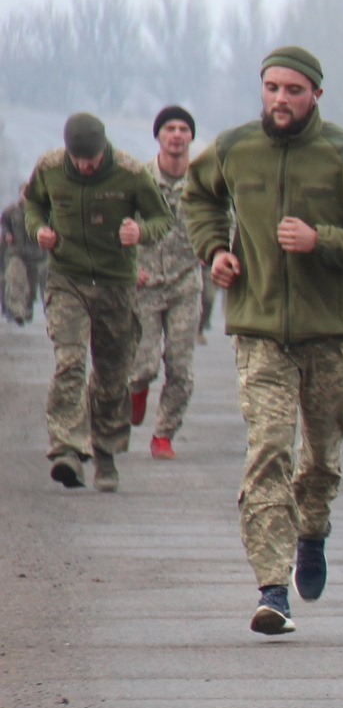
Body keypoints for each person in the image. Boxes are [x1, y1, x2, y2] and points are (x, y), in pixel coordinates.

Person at [183, 45, 343, 636]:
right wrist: (216, 251)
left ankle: (312, 531)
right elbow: (198, 197)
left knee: (321, 458)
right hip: (259, 329)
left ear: (316, 96)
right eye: (272, 88)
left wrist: (322, 240)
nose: (281, 99)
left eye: (293, 90)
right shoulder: (234, 149)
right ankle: (272, 586)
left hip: (331, 333)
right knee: (269, 448)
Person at [24, 113, 172, 491]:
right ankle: (66, 449)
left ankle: (105, 452)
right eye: (79, 159)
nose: (85, 165)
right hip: (67, 277)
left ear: (104, 148)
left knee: (111, 374)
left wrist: (140, 231)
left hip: (114, 284)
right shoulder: (50, 167)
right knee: (70, 361)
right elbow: (33, 205)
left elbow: (162, 218)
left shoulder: (131, 173)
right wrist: (38, 229)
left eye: (91, 158)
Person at [127, 106, 204, 460]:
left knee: (181, 365)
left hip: (186, 282)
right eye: (170, 128)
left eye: (183, 129)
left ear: (190, 137)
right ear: (158, 136)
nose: (177, 135)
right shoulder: (138, 179)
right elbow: (119, 226)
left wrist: (217, 249)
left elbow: (227, 218)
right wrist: (129, 267)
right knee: (143, 365)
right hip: (145, 282)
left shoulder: (204, 181)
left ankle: (164, 434)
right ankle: (137, 390)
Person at [3, 184, 46, 325]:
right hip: (17, 253)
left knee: (31, 286)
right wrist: (8, 233)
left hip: (36, 255)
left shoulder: (42, 211)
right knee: (16, 280)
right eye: (24, 193)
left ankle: (26, 308)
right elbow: (4, 222)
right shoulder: (12, 211)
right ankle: (17, 311)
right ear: (20, 194)